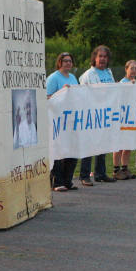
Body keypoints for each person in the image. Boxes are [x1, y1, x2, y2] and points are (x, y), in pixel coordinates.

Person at [78, 45, 117, 186]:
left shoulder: (108, 73)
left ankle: (100, 173)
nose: (102, 59)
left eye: (105, 57)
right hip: (91, 114)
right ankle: (84, 175)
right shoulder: (88, 75)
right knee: (89, 145)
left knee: (103, 144)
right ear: (94, 58)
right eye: (100, 56)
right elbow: (82, 95)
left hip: (105, 114)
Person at [46, 52, 79, 191]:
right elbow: (47, 96)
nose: (67, 63)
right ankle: (57, 181)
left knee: (72, 149)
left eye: (70, 61)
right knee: (58, 151)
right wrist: (61, 92)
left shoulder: (73, 77)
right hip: (57, 118)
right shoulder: (53, 78)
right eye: (65, 61)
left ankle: (67, 180)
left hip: (71, 118)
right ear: (59, 62)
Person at [112, 60, 136, 180]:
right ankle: (116, 169)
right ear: (126, 69)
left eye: (135, 68)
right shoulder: (122, 83)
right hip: (122, 116)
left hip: (131, 117)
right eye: (131, 68)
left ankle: (125, 168)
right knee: (119, 145)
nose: (133, 71)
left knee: (128, 145)